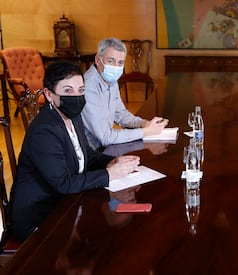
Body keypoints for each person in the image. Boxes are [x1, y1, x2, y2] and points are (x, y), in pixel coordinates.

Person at [10, 60, 141, 241]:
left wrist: (112, 161)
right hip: (40, 216)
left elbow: (86, 153)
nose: (77, 97)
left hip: (66, 202)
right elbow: (63, 183)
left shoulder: (73, 116)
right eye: (68, 91)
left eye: (81, 90)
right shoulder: (45, 131)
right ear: (49, 94)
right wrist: (109, 174)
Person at [81, 37, 169, 150]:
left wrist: (144, 123)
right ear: (98, 60)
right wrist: (145, 132)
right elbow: (106, 137)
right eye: (111, 61)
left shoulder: (109, 79)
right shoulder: (88, 86)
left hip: (107, 146)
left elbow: (121, 115)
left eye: (120, 62)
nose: (116, 67)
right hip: (92, 153)